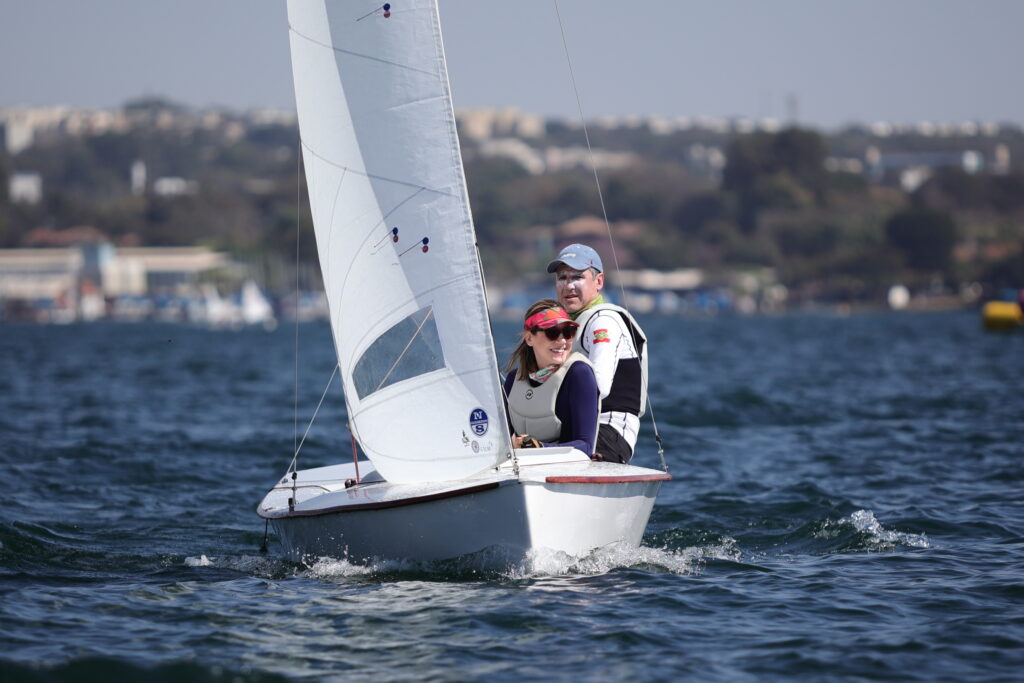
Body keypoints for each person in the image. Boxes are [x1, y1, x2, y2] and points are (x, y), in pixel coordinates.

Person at [546, 243, 648, 464]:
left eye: (577, 277)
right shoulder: (567, 324)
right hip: (574, 427)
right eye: (562, 277)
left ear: (599, 281)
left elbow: (598, 388)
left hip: (609, 432)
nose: (568, 285)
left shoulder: (603, 322)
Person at [503, 299, 600, 456]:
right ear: (529, 338)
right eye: (552, 332)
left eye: (568, 332)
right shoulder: (513, 380)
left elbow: (586, 446)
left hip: (565, 471)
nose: (562, 340)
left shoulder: (579, 374)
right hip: (522, 470)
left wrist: (538, 447)